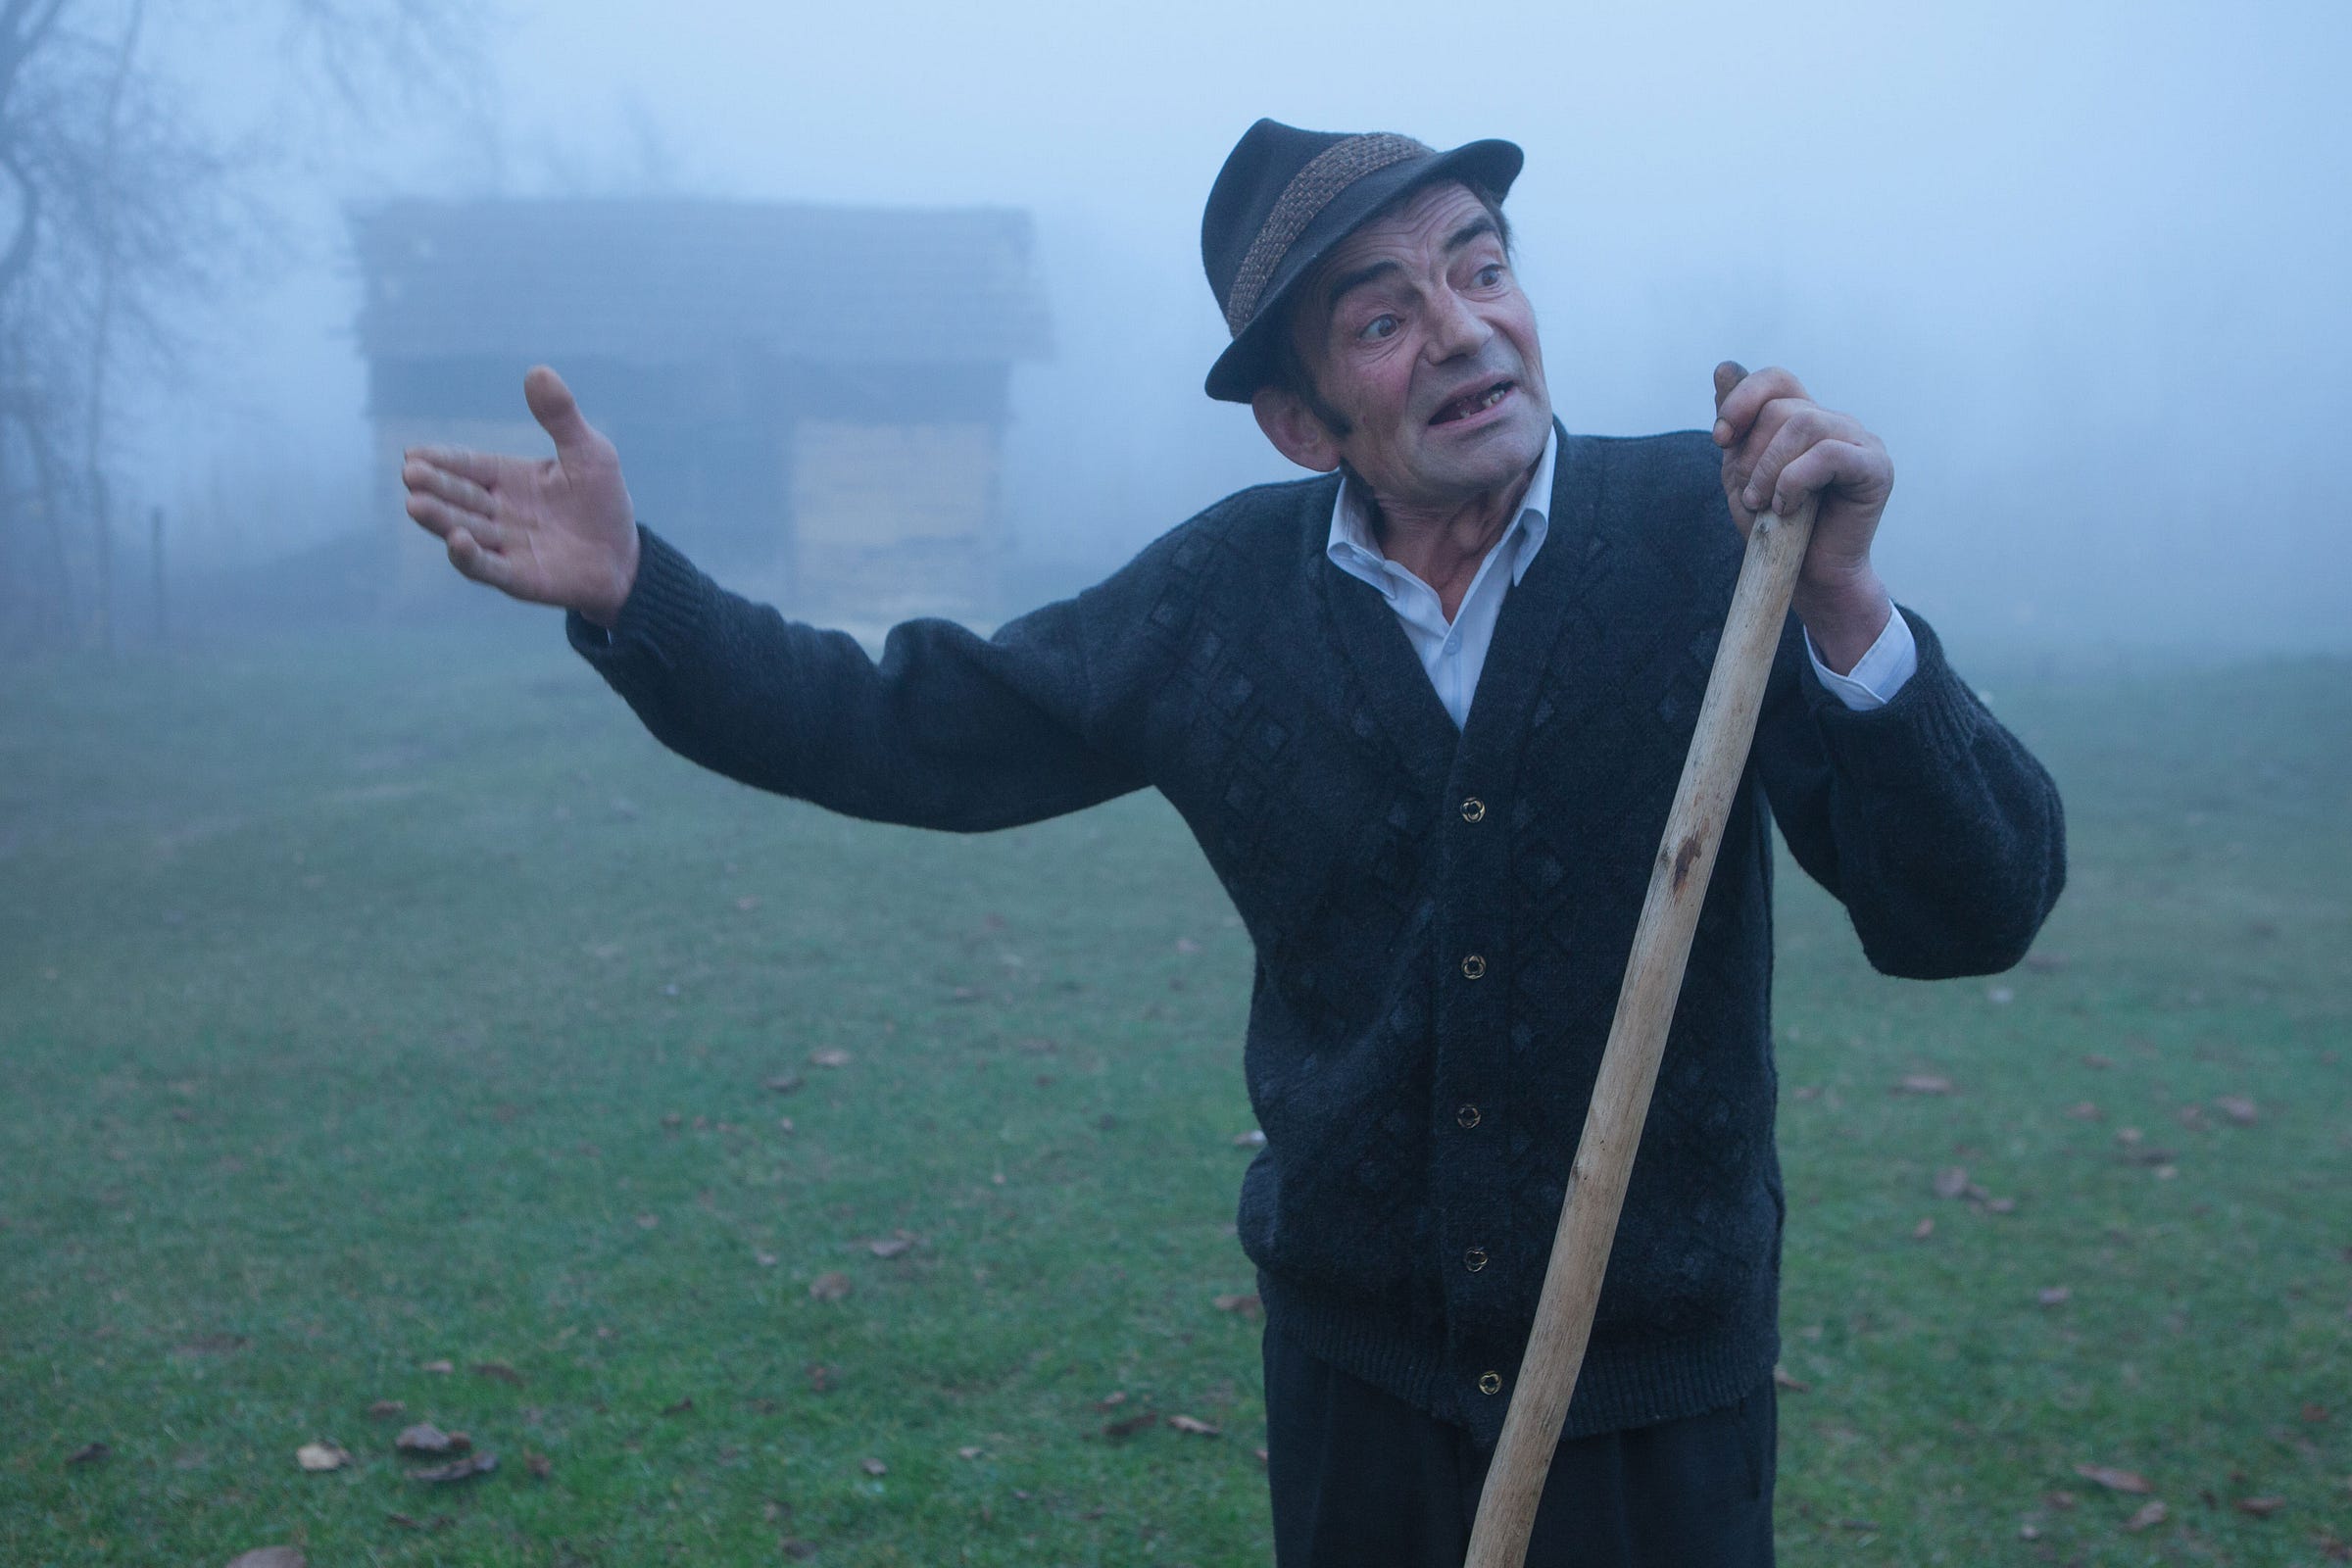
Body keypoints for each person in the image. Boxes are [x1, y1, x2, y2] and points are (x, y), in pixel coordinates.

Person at [400, 119, 2064, 1567]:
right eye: (1384, 315)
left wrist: (1844, 600)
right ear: (1298, 419)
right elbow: (895, 723)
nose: (1466, 329)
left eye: (1479, 266)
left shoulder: (1716, 546)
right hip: (1366, 1392)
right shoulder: (1214, 608)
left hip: (1656, 1406)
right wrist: (641, 595)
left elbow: (1971, 907)